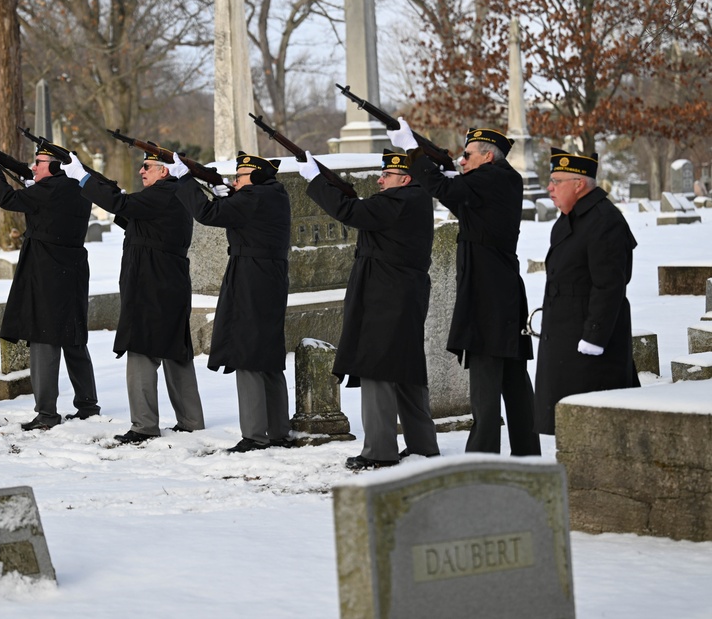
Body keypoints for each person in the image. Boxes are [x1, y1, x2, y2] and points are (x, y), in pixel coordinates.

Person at [388, 122, 541, 456]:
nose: (462, 161)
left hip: (488, 296)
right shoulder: (495, 181)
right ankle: (528, 456)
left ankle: (482, 459)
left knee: (487, 387)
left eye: (468, 155)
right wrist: (438, 167)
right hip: (497, 291)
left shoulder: (495, 178)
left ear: (488, 157)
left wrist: (412, 151)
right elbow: (456, 201)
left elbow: (444, 190)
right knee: (514, 383)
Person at [301, 149, 440, 470]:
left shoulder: (401, 200)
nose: (379, 180)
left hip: (386, 296)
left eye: (386, 175)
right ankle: (423, 444)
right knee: (405, 368)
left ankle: (379, 451)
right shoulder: (409, 199)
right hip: (397, 293)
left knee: (377, 367)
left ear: (405, 179)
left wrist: (316, 180)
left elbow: (350, 211)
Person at [61, 150, 204, 444]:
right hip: (167, 282)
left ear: (164, 171)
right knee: (175, 350)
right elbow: (128, 214)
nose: (141, 171)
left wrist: (84, 178)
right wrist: (103, 185)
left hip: (151, 284)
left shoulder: (163, 193)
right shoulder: (172, 194)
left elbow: (120, 204)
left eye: (147, 166)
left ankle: (144, 425)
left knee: (141, 349)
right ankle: (190, 420)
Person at [172, 151, 292, 453]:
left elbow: (207, 214)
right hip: (269, 275)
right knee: (267, 353)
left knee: (248, 351)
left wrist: (186, 180)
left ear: (255, 178)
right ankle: (277, 430)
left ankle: (254, 435)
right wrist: (221, 194)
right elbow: (232, 212)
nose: (235, 181)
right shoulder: (272, 195)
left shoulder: (254, 197)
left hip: (252, 276)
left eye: (240, 177)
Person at [0, 142, 100, 431]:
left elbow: (6, 199)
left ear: (56, 167)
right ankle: (87, 404)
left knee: (44, 339)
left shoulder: (50, 189)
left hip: (47, 271)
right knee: (73, 338)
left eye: (40, 163)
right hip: (72, 270)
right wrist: (31, 179)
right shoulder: (75, 187)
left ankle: (46, 413)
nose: (33, 167)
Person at [535, 149, 639, 434]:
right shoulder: (571, 217)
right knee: (568, 422)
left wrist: (593, 336)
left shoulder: (604, 221)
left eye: (557, 181)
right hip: (565, 337)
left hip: (588, 345)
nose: (549, 187)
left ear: (579, 184)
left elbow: (609, 286)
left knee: (591, 425)